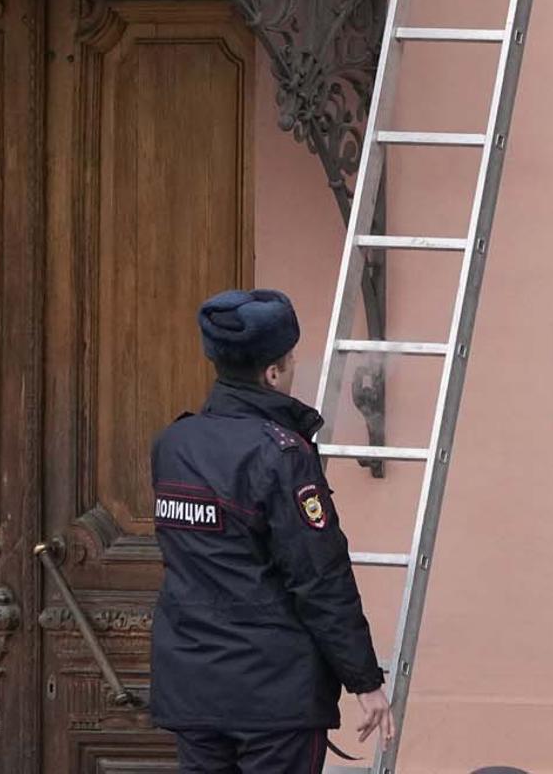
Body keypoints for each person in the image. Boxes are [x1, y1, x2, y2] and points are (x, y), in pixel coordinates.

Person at [150, 287, 393, 772]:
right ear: (274, 372)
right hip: (273, 696)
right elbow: (319, 578)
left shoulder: (173, 443)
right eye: (290, 359)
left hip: (193, 686)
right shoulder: (281, 454)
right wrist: (364, 681)